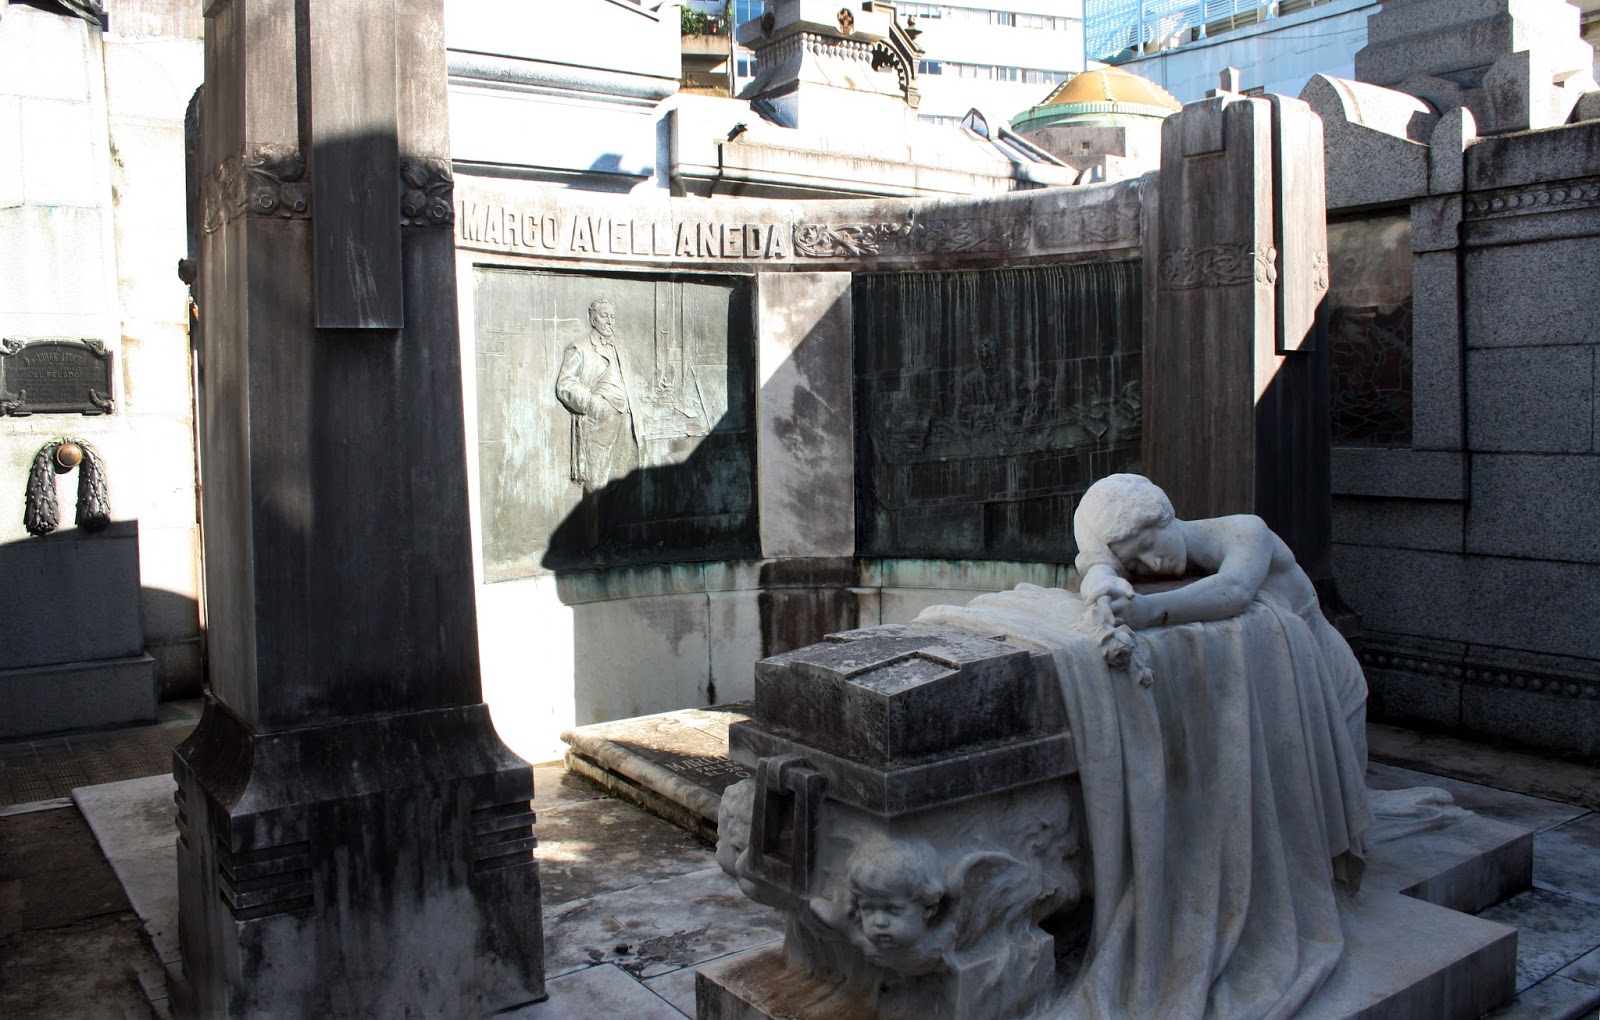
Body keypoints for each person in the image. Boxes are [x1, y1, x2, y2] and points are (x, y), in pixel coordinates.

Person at [1073, 472, 1368, 770]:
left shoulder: (1247, 531)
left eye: (1148, 544)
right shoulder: (1157, 560)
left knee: (1331, 796)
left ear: (1163, 516)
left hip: (1327, 674)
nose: (1152, 563)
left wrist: (1148, 610)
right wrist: (1101, 576)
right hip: (1274, 687)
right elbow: (1098, 568)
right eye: (1135, 562)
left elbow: (1234, 589)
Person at [555, 298, 634, 493]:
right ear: (592, 318)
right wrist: (593, 404)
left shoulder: (620, 349)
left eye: (612, 317)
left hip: (624, 421)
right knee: (596, 487)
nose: (609, 321)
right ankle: (595, 525)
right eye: (604, 316)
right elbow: (565, 385)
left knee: (622, 482)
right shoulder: (580, 347)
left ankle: (614, 524)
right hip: (597, 423)